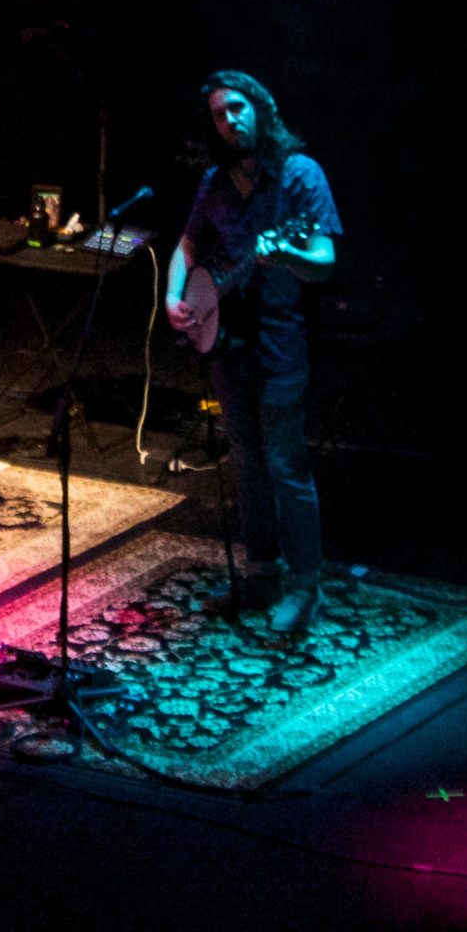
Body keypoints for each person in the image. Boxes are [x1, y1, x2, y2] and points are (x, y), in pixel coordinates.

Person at [163, 69, 342, 632]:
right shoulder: (215, 181)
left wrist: (285, 256)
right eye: (219, 114)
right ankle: (260, 572)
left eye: (237, 108)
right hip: (228, 347)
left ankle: (304, 588)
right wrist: (172, 296)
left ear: (261, 108)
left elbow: (325, 261)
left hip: (280, 341)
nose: (230, 120)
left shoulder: (300, 175)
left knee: (286, 465)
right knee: (246, 465)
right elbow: (187, 247)